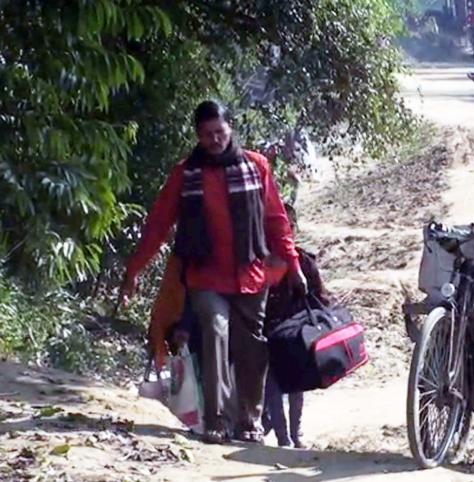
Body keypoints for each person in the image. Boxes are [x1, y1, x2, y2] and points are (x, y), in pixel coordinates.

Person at [121, 100, 306, 445]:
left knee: (252, 348)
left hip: (251, 276)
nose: (214, 140)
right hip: (205, 277)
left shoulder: (257, 166)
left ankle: (249, 422)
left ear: (230, 128)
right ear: (197, 136)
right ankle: (215, 421)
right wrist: (134, 270)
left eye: (219, 132)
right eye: (206, 135)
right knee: (215, 332)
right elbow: (158, 225)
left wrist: (293, 264)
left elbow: (276, 220)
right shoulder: (185, 174)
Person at [262, 203, 332, 449]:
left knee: (296, 383)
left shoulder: (305, 262)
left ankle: (296, 433)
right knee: (272, 383)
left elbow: (320, 298)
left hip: (296, 334)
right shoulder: (259, 261)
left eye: (289, 226)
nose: (285, 232)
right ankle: (282, 435)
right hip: (267, 334)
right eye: (278, 227)